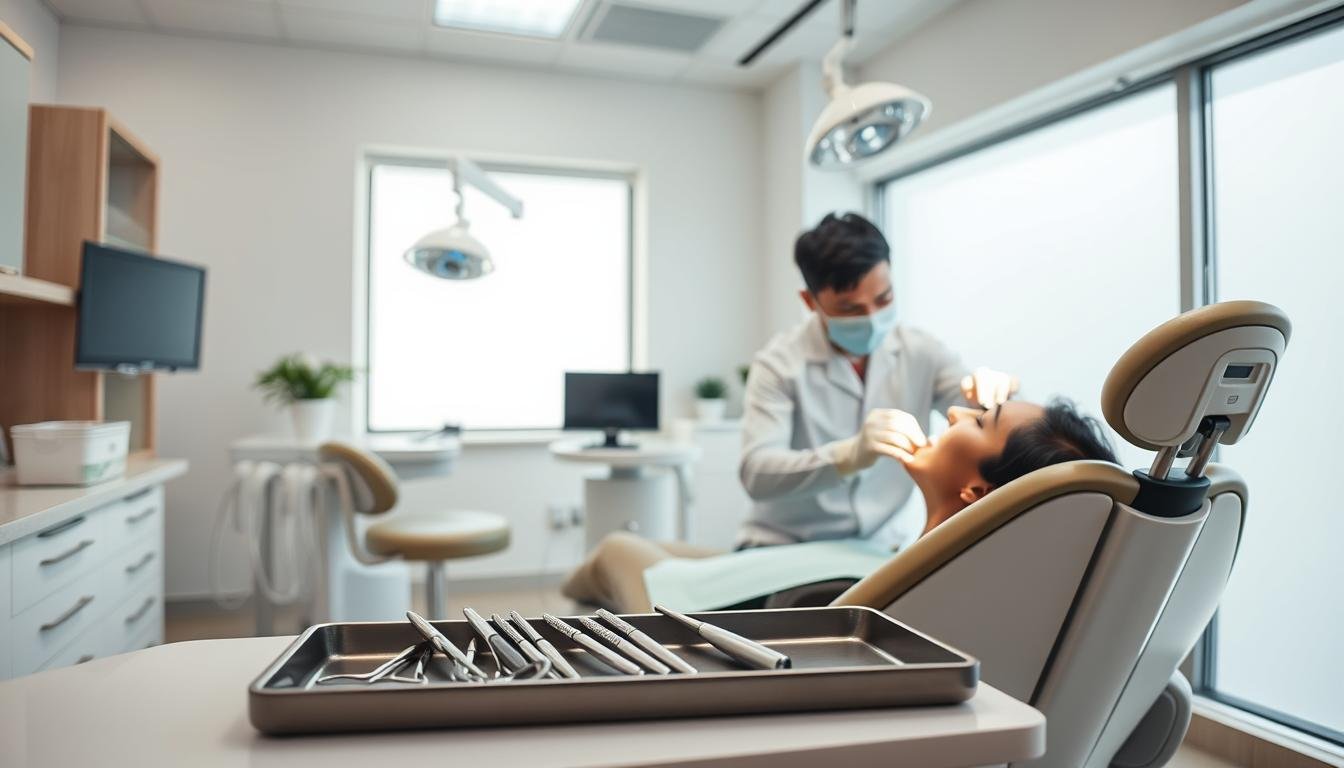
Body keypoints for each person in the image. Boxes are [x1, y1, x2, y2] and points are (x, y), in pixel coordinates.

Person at [563, 398, 1117, 612]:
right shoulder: (952, 559)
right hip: (801, 554)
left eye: (977, 419)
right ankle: (576, 602)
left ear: (976, 493)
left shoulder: (916, 583)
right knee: (659, 548)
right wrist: (847, 455)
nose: (952, 410)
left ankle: (571, 605)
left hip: (704, 623)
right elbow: (757, 470)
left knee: (616, 548)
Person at [739, 212, 1019, 550]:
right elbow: (757, 473)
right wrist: (847, 456)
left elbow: (999, 428)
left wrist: (998, 400)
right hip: (784, 546)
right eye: (851, 309)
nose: (872, 318)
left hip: (877, 550)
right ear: (810, 302)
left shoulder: (922, 352)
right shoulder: (779, 365)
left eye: (884, 299)